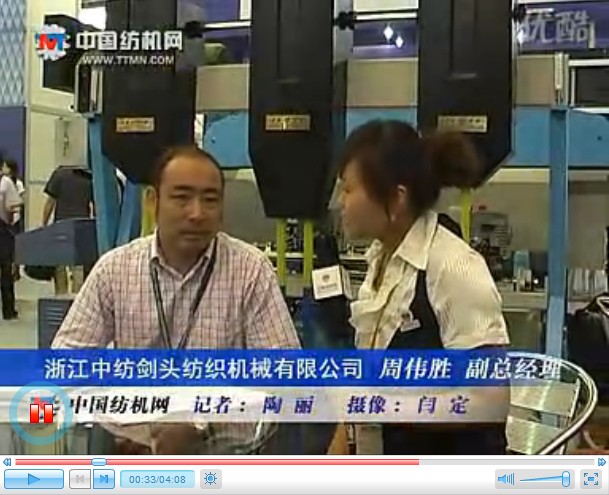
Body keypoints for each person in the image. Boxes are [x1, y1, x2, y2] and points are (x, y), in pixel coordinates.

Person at [52, 146, 300, 454]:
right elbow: (65, 366)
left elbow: (285, 377)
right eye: (182, 197)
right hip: (134, 452)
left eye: (210, 200)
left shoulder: (250, 270)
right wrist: (135, 421)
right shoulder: (114, 270)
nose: (197, 213)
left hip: (224, 457)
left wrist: (202, 424)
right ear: (152, 202)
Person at [337, 120, 510, 455]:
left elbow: (489, 399)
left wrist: (387, 405)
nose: (340, 202)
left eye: (348, 189)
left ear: (396, 198)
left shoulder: (453, 267)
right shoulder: (381, 260)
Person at [42, 165, 94, 294]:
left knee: (60, 266)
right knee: (78, 266)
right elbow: (96, 206)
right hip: (82, 226)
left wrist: (44, 225)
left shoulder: (59, 174)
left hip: (61, 226)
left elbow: (50, 202)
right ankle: (77, 297)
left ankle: (61, 295)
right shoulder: (89, 177)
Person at [0, 165, 21, 320]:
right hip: (3, 229)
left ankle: (8, 309)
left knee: (6, 270)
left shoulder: (6, 182)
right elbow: (13, 206)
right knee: (6, 270)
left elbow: (13, 207)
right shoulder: (5, 182)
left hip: (3, 229)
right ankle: (8, 310)